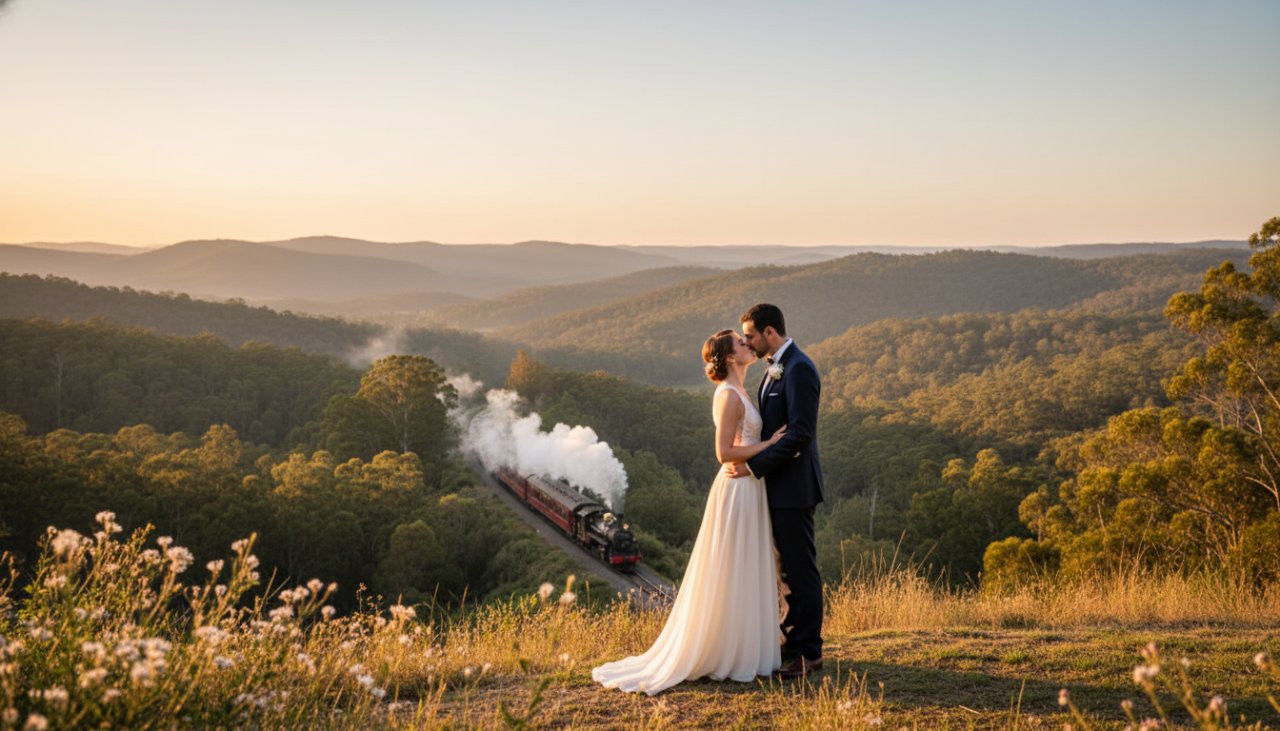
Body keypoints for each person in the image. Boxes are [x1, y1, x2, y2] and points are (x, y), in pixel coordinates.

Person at [592, 329, 788, 695]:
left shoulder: (742, 389)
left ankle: (745, 645)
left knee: (746, 564)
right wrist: (769, 444)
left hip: (750, 485)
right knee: (732, 565)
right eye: (741, 343)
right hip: (737, 487)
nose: (749, 345)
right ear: (730, 357)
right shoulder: (728, 395)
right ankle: (725, 650)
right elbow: (724, 453)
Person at [726, 303, 825, 677]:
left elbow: (800, 433)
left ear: (769, 332)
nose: (747, 342)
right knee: (785, 572)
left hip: (795, 488)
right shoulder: (773, 370)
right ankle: (790, 642)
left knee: (801, 572)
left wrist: (753, 465)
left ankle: (809, 652)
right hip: (776, 486)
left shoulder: (799, 368)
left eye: (750, 335)